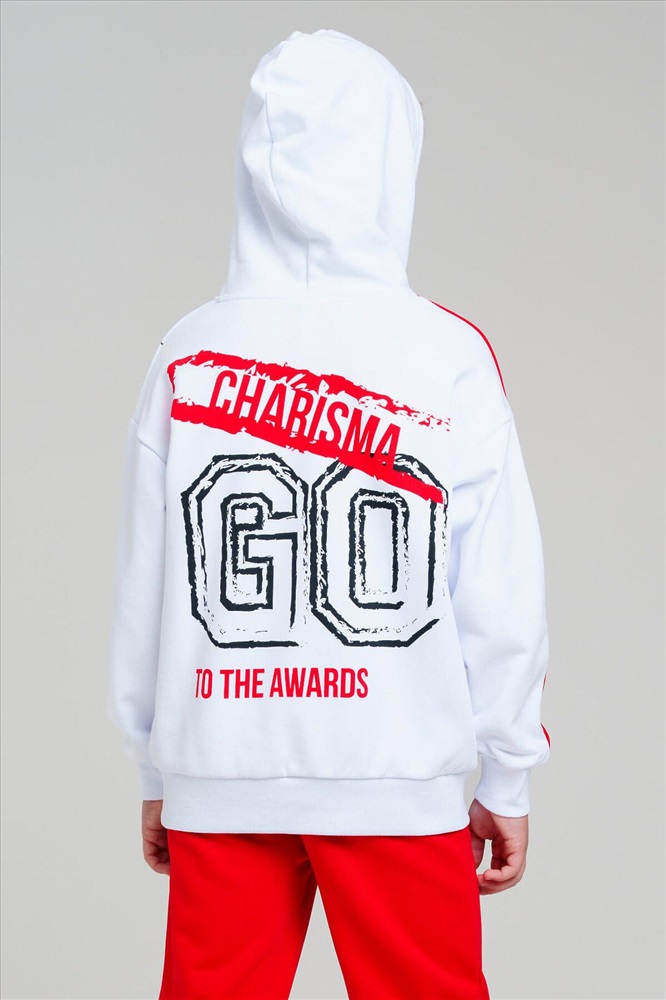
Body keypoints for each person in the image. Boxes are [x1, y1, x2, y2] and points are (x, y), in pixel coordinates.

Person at [107, 27, 551, 1000]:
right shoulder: (445, 356)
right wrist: (507, 770)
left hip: (221, 764)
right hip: (396, 767)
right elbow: (500, 587)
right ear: (393, 163)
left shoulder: (185, 354)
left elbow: (148, 583)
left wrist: (158, 766)